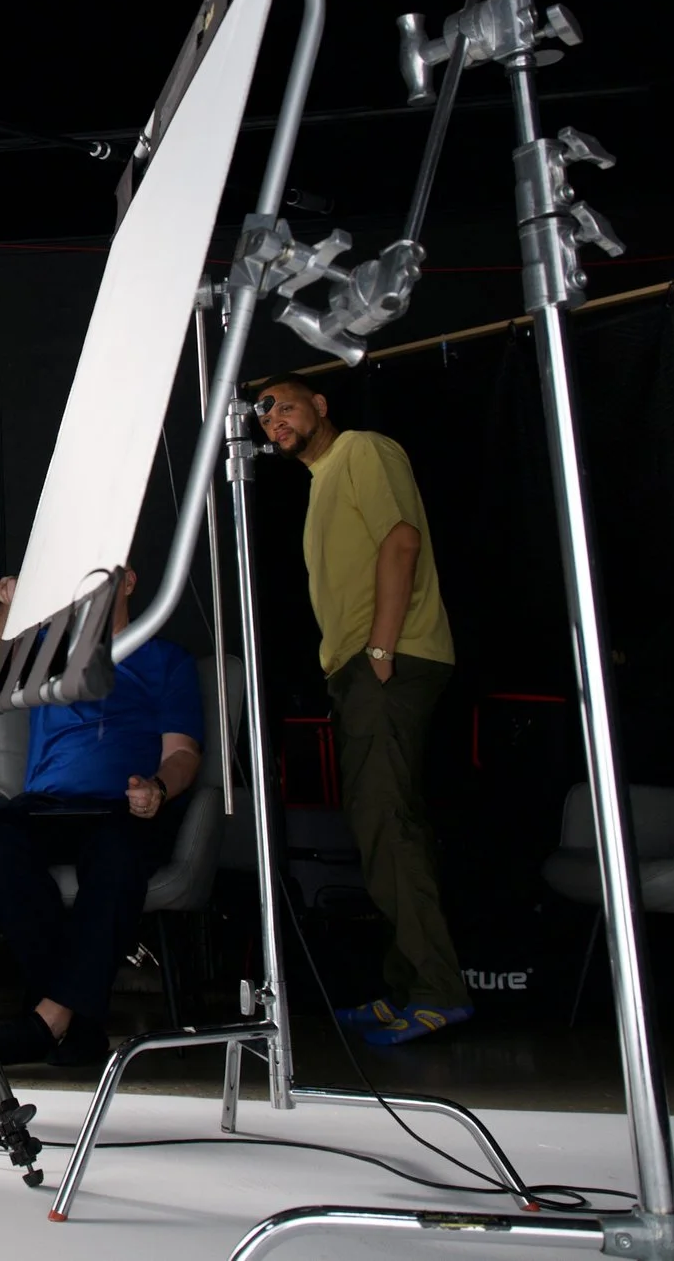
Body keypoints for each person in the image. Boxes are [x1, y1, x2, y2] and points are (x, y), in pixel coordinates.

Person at [253, 372, 469, 1046]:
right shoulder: (321, 480)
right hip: (362, 668)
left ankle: (437, 991)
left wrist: (380, 648)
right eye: (263, 414)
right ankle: (406, 984)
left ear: (320, 406)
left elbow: (401, 540)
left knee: (386, 822)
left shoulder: (364, 450)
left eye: (285, 404)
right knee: (385, 823)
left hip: (390, 662)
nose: (273, 420)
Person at [0, 569, 203, 1064]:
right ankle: (76, 1023)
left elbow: (182, 753)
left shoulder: (166, 661)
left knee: (118, 854)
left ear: (130, 583)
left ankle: (50, 1018)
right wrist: (9, 601)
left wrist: (158, 788)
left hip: (124, 807)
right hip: (46, 806)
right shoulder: (51, 649)